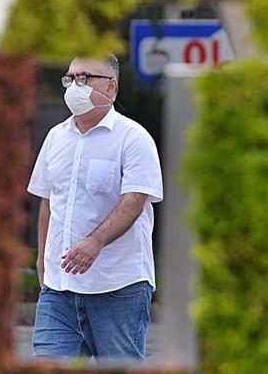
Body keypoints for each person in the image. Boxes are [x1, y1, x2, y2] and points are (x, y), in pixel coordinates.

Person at [27, 53, 163, 362]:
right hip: (59, 289)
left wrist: (95, 242)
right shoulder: (56, 137)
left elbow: (134, 202)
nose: (75, 86)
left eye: (85, 78)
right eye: (71, 78)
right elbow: (48, 201)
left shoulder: (134, 139)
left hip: (117, 286)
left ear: (111, 88)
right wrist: (41, 261)